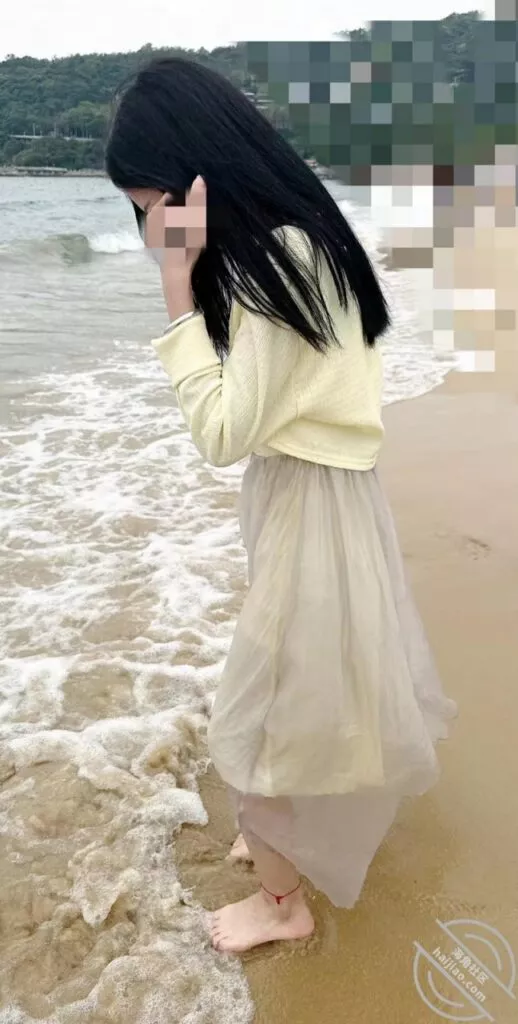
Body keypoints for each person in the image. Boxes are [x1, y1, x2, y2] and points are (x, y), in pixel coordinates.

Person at [105, 56, 457, 955]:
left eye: (150, 206)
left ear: (191, 177)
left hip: (308, 498)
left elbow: (222, 432)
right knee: (307, 683)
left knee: (259, 721)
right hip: (329, 492)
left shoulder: (274, 267)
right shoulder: (307, 236)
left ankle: (282, 902)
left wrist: (176, 283)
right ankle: (284, 837)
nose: (148, 227)